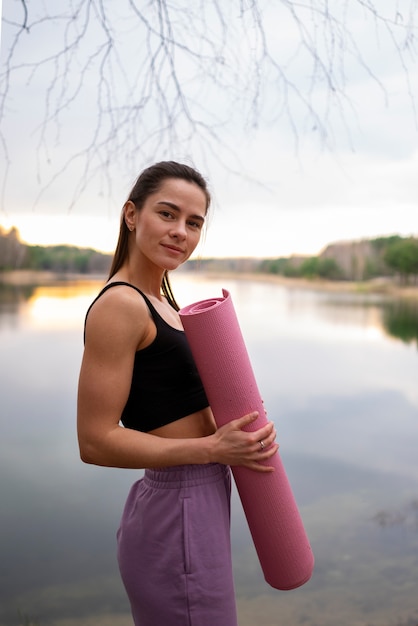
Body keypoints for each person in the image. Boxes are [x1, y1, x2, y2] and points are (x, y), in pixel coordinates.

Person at [77, 161, 278, 626]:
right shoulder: (121, 305)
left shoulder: (165, 305)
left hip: (200, 497)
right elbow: (95, 441)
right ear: (132, 215)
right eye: (167, 214)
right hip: (177, 505)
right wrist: (212, 447)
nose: (180, 232)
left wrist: (243, 437)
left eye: (194, 223)